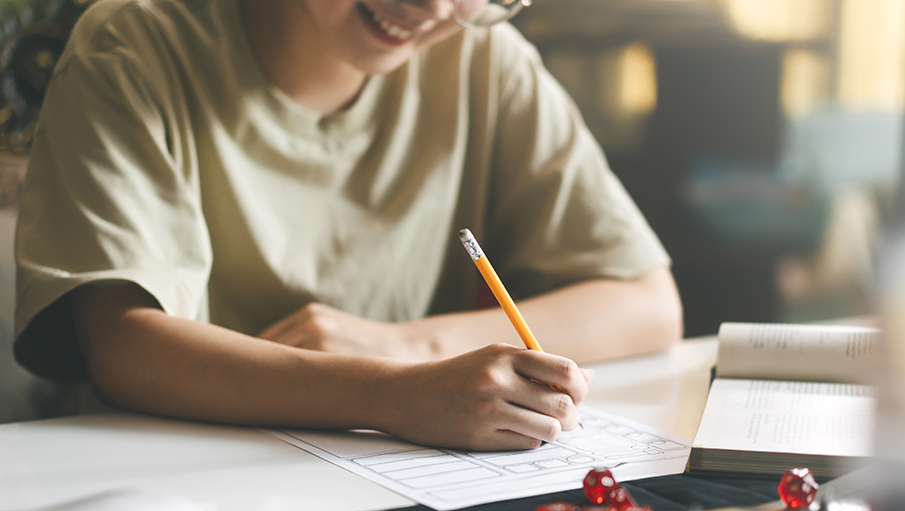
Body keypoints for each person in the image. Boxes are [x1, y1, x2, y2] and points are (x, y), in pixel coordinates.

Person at [13, 0, 682, 451]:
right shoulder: (134, 43)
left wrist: (407, 348)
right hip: (166, 469)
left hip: (371, 476)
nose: (434, 10)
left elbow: (647, 303)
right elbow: (126, 349)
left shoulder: (487, 62)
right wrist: (388, 391)